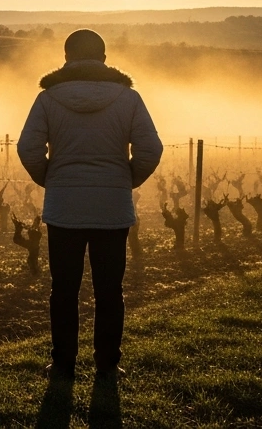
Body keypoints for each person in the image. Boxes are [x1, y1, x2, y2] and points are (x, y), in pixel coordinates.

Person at [17, 29, 162, 381]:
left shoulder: (48, 99)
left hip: (64, 207)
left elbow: (28, 149)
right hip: (112, 208)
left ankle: (63, 365)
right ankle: (108, 367)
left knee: (63, 290)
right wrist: (125, 180)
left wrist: (52, 178)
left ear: (66, 57)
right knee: (109, 290)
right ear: (104, 57)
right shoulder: (129, 98)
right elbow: (151, 149)